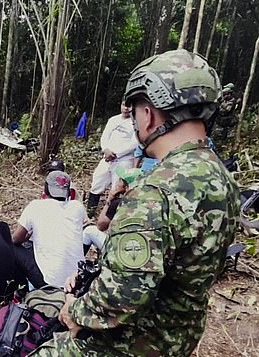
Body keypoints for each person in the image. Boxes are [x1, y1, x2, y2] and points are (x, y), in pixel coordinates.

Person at [33, 49, 240, 356]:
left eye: (137, 109)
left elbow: (122, 297)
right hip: (180, 335)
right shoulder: (223, 178)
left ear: (150, 112)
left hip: (133, 342)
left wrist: (75, 310)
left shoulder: (154, 192)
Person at [12, 170, 86, 288]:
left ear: (45, 189)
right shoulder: (78, 207)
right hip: (77, 279)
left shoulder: (36, 206)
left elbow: (15, 239)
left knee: (13, 247)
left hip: (48, 282)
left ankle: (21, 288)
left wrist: (27, 237)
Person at [87, 103, 139, 217]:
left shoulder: (136, 123)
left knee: (116, 189)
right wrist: (105, 149)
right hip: (107, 158)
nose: (126, 108)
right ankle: (90, 212)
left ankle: (110, 217)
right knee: (97, 182)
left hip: (123, 160)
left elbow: (134, 144)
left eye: (129, 106)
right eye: (124, 105)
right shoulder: (113, 120)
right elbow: (105, 136)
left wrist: (116, 154)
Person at [82, 167, 142, 254]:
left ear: (126, 186)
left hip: (119, 251)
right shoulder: (148, 202)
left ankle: (78, 263)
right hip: (142, 249)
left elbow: (101, 226)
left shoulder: (118, 203)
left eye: (120, 180)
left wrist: (109, 201)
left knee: (89, 231)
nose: (117, 183)